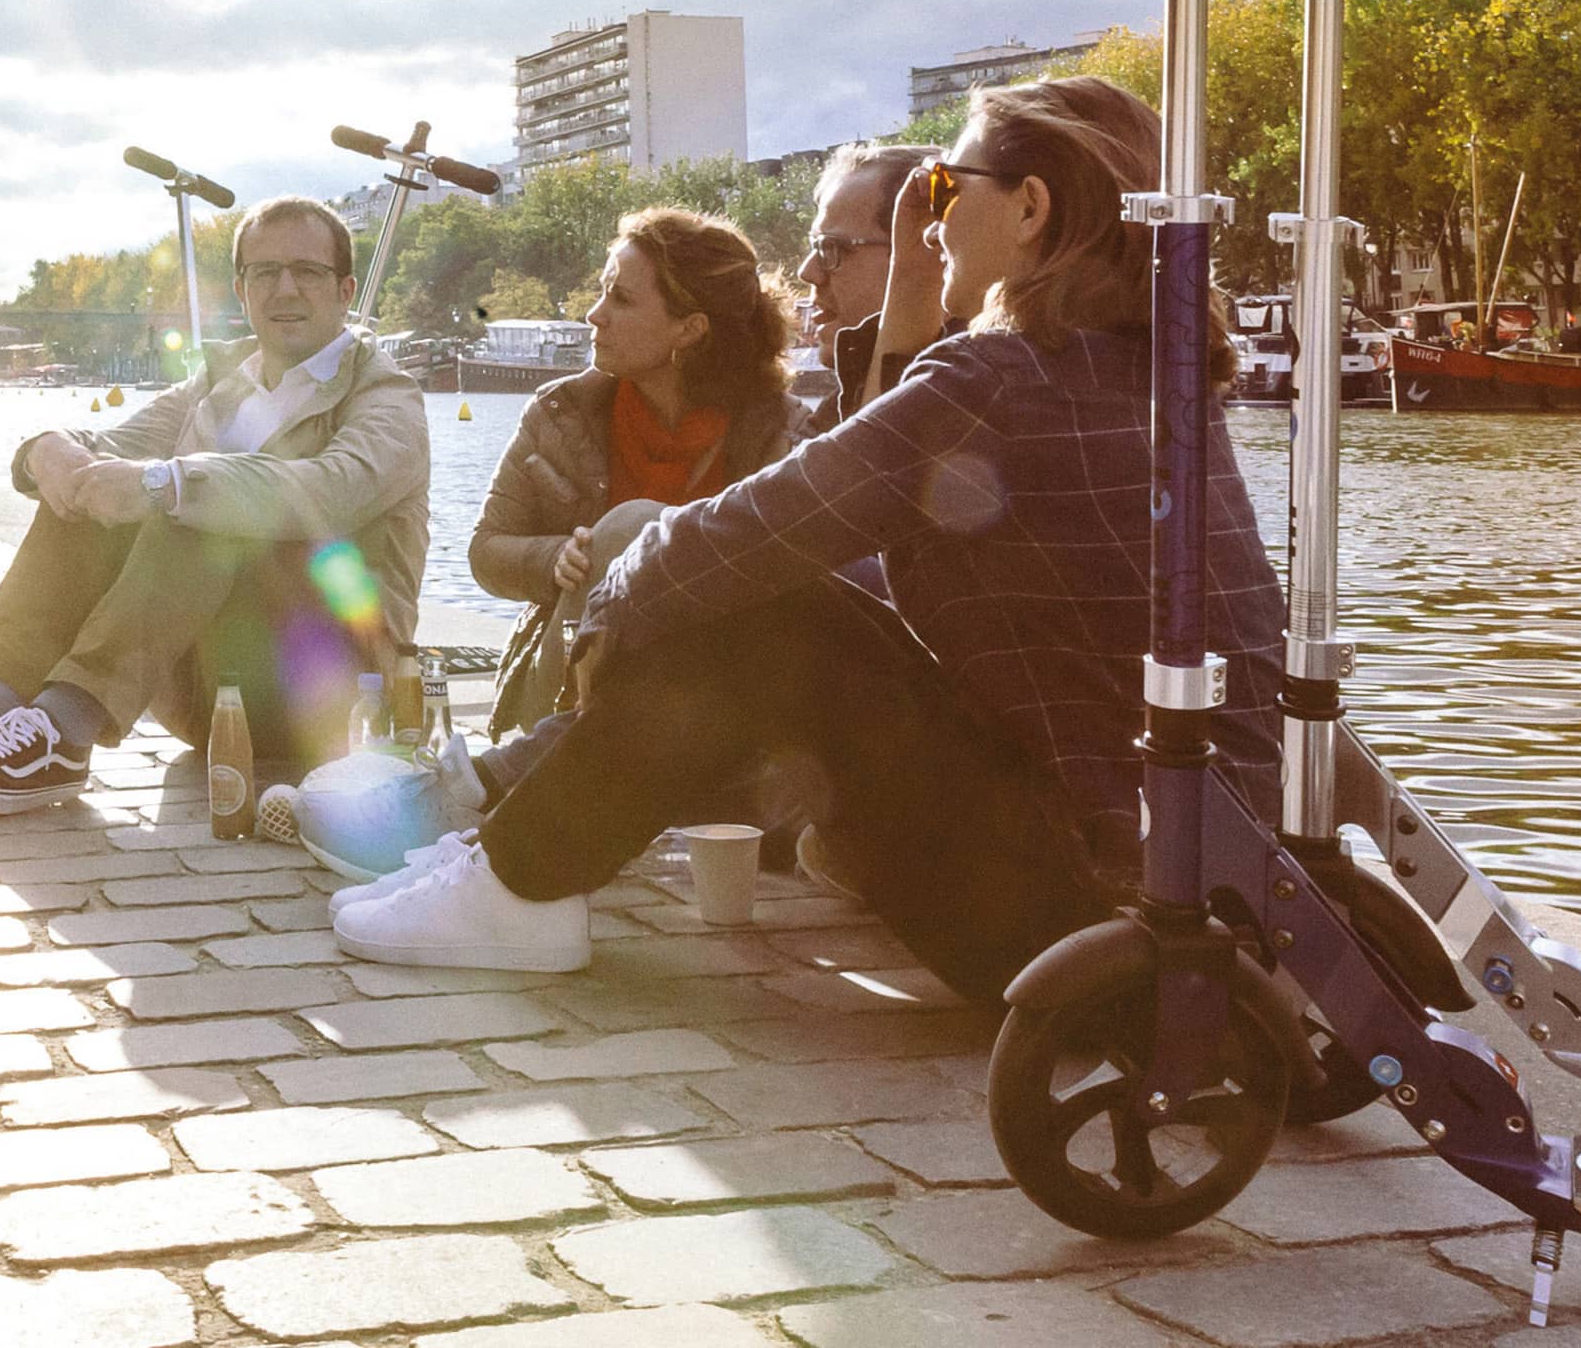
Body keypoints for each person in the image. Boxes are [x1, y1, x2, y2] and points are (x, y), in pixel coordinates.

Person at [331, 77, 1287, 1002]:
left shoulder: (1002, 378)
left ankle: (518, 883)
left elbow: (758, 530)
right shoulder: (1150, 375)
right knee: (750, 596)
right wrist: (914, 267)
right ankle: (512, 862)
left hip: (1087, 928)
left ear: (1031, 207)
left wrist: (610, 612)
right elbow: (896, 477)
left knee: (753, 610)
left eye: (946, 189)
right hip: (1191, 900)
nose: (932, 219)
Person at [0, 196, 430, 814]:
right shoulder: (223, 378)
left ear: (345, 291)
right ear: (242, 291)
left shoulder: (387, 395)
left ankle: (65, 729)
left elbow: (333, 488)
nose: (284, 289)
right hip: (211, 695)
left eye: (307, 271)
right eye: (265, 272)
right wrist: (46, 451)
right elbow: (115, 449)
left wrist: (170, 484)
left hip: (334, 698)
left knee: (194, 499)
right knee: (91, 486)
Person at [288, 205, 808, 881]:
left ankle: (482, 801)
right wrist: (555, 558)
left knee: (635, 533)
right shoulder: (561, 412)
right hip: (569, 673)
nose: (595, 314)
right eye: (601, 292)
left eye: (620, 299)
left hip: (718, 691)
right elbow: (485, 551)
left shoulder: (781, 433)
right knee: (620, 541)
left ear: (691, 329)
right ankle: (512, 796)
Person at [797, 140, 942, 432]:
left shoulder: (961, 412)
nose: (807, 272)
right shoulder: (835, 412)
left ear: (930, 249)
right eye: (815, 246)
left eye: (833, 247)